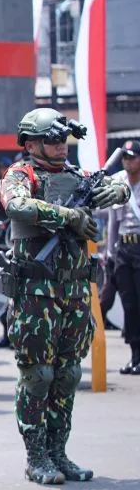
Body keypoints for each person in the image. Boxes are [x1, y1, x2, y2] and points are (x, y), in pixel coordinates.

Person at [0, 109, 128, 485]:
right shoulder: (22, 174)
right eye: (52, 140)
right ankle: (36, 455)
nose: (60, 146)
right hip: (35, 293)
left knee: (68, 374)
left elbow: (121, 186)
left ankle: (59, 451)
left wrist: (113, 192)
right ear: (32, 143)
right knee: (37, 375)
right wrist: (68, 217)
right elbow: (17, 204)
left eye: (62, 140)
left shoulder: (77, 177)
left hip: (73, 291)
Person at [107, 141, 140, 374]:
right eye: (125, 158)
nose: (128, 161)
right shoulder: (118, 182)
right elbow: (112, 220)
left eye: (132, 157)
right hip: (124, 250)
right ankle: (135, 355)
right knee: (129, 305)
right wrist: (109, 252)